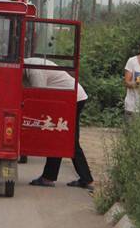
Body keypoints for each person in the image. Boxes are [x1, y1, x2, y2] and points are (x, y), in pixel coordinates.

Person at [25, 57, 94, 191]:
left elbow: (39, 96)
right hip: (69, 97)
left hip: (73, 99)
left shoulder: (34, 70)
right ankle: (49, 177)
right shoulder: (31, 64)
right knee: (58, 137)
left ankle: (86, 179)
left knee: (69, 140)